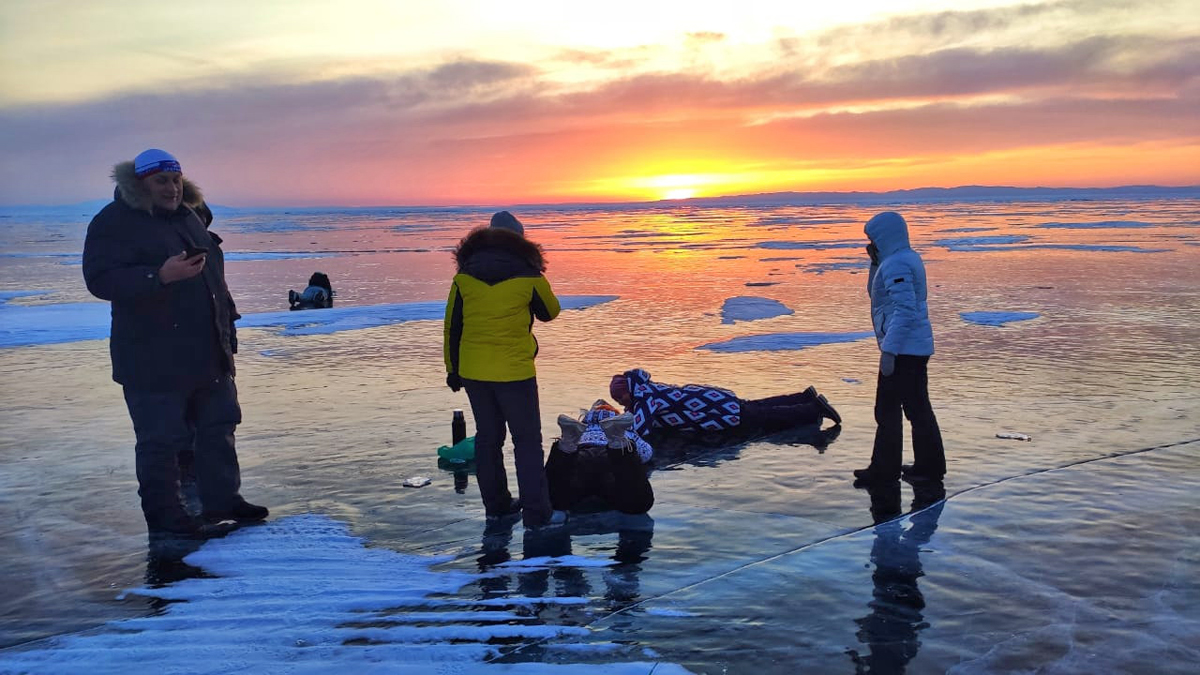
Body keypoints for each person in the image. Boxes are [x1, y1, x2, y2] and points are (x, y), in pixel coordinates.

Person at [82, 148, 268, 539]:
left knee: (218, 427)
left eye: (176, 179)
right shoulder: (115, 221)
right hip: (152, 356)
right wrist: (159, 276)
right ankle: (166, 517)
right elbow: (99, 279)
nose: (172, 188)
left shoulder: (190, 215)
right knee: (161, 440)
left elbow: (214, 279)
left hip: (207, 349)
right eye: (161, 181)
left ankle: (223, 500)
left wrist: (227, 330)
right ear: (140, 184)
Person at [444, 211, 566, 530]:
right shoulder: (528, 274)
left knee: (488, 439)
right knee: (526, 442)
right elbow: (550, 312)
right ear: (520, 240)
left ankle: (497, 508)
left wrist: (452, 370)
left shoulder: (464, 277)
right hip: (515, 372)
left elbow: (452, 327)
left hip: (474, 371)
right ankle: (537, 515)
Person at [853, 211, 946, 485]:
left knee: (892, 410)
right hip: (909, 347)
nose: (871, 243)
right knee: (910, 409)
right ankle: (924, 466)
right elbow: (876, 294)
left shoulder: (898, 264)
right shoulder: (899, 259)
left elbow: (905, 310)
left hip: (905, 350)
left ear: (885, 236)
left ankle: (889, 471)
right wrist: (875, 263)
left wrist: (890, 352)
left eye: (873, 239)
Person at [608, 368, 840, 440]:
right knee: (757, 406)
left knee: (763, 417)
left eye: (620, 398)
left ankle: (813, 408)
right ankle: (803, 397)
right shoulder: (648, 388)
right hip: (716, 400)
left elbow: (641, 429)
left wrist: (612, 433)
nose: (621, 402)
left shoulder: (646, 398)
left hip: (715, 411)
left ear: (629, 391)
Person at [546, 400, 655, 515]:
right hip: (610, 457)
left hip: (582, 454)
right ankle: (617, 442)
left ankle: (567, 445)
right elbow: (646, 453)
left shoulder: (583, 428)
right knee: (639, 503)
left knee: (555, 497)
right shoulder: (627, 430)